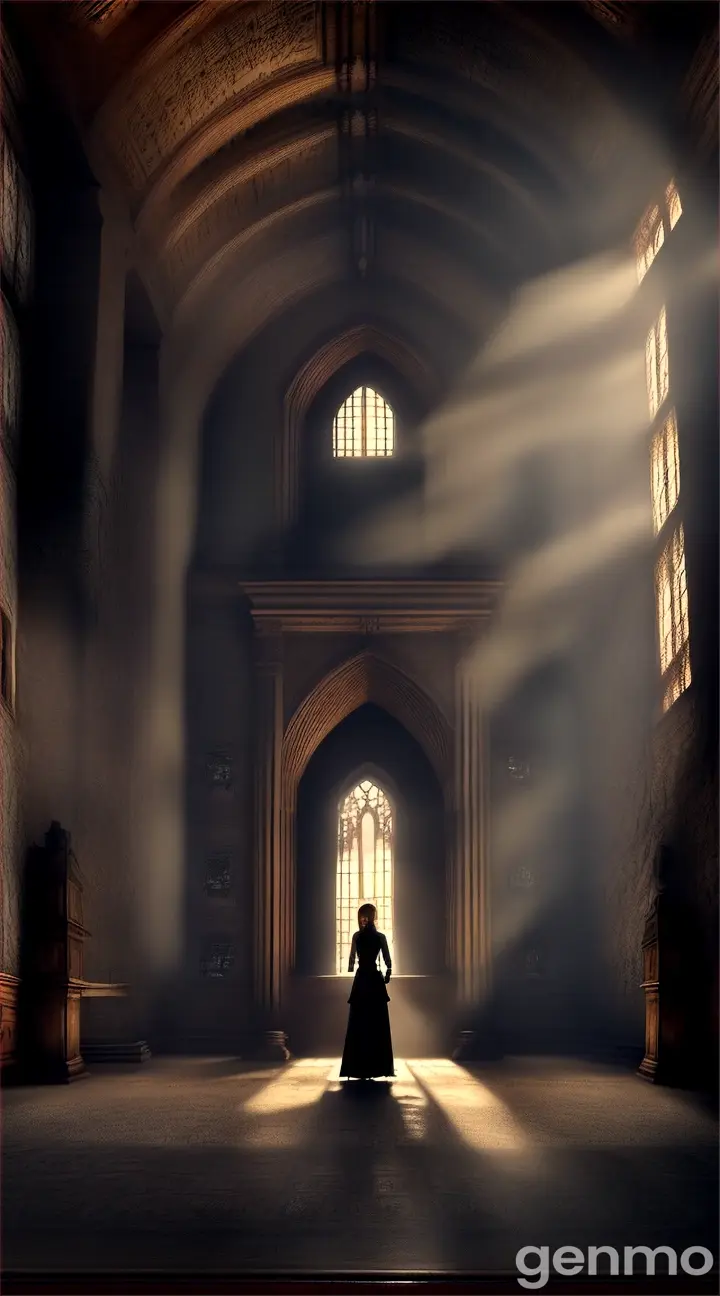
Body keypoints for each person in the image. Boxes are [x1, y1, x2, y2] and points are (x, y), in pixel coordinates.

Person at [340, 903, 395, 1079]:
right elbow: (387, 960)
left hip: (362, 979)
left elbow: (351, 959)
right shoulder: (379, 937)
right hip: (374, 979)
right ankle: (378, 1066)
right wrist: (388, 973)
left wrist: (350, 968)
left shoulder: (358, 936)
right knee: (376, 1022)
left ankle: (357, 1066)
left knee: (360, 1021)